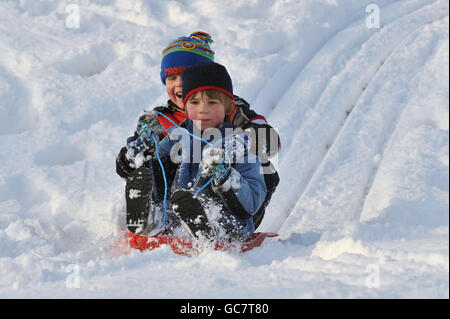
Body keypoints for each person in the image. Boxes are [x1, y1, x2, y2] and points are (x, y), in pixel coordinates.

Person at [116, 31, 280, 234]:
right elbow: (143, 163)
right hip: (177, 198)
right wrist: (132, 158)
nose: (179, 84)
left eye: (185, 76)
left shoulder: (231, 109)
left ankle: (220, 225)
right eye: (171, 77)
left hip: (231, 197)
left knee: (263, 165)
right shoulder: (160, 119)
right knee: (157, 159)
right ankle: (153, 217)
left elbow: (269, 142)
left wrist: (237, 144)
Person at [133, 62, 267, 241]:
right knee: (168, 201)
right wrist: (149, 149)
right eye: (194, 102)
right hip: (178, 217)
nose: (203, 109)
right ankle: (151, 220)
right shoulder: (177, 137)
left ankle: (211, 230)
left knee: (219, 217)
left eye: (212, 102)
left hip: (227, 223)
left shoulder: (239, 145)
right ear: (185, 106)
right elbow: (158, 174)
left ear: (228, 107)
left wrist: (226, 178)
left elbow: (252, 202)